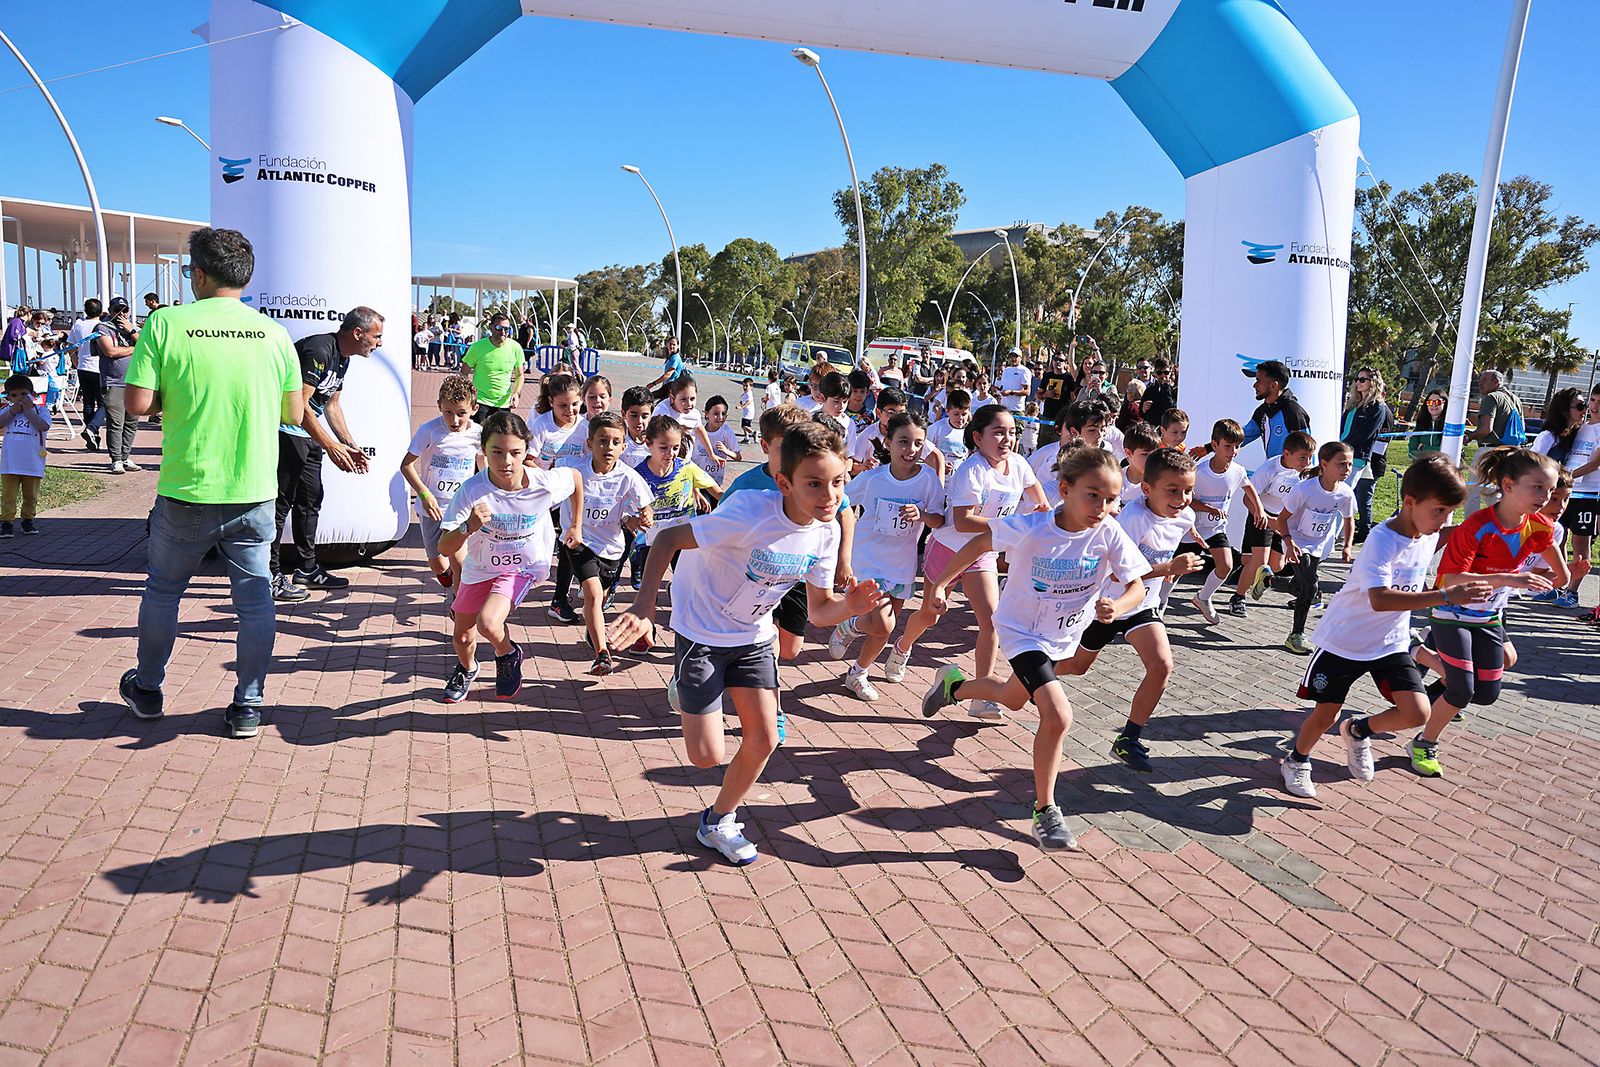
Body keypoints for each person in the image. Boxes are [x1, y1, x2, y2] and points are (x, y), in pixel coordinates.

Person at [608, 421, 881, 865]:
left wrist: (849, 606)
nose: (829, 495)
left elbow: (819, 612)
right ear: (784, 482)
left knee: (766, 737)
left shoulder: (826, 531)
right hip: (702, 631)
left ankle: (718, 820)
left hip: (754, 636)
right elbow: (668, 539)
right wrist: (644, 607)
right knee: (705, 756)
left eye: (837, 482)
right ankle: (687, 686)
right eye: (814, 484)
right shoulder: (750, 511)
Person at [118, 226, 304, 739]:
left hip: (187, 487)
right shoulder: (273, 333)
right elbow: (293, 411)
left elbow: (136, 404)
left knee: (163, 591)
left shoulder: (166, 324)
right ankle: (248, 704)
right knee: (255, 601)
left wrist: (169, 399)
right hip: (253, 491)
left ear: (198, 274)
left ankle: (149, 687)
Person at [919, 443, 1148, 850]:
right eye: (1092, 495)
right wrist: (939, 583)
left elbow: (1136, 585)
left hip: (1063, 635)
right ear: (1064, 489)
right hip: (1020, 631)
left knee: (1011, 698)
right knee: (1058, 715)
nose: (1102, 505)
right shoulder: (1033, 525)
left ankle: (953, 685)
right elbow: (979, 544)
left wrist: (1119, 605)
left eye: (1111, 499)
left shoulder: (1109, 532)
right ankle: (1046, 811)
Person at [1278, 455, 1485, 799]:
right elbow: (1380, 599)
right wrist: (1444, 596)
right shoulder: (1382, 539)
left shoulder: (1429, 531)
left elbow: (1468, 529)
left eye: (1450, 512)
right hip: (1344, 641)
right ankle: (1297, 760)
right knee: (1325, 714)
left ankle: (1359, 731)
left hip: (1390, 643)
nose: (1445, 520)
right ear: (1409, 502)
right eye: (1439, 511)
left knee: (1417, 712)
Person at [1409, 447, 1566, 777]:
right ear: (1508, 485)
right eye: (1537, 487)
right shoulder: (1477, 527)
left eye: (1550, 490)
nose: (1546, 496)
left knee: (1484, 694)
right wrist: (1511, 578)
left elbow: (1555, 568)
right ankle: (1424, 743)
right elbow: (1451, 579)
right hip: (1451, 611)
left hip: (1488, 617)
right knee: (1462, 690)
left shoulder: (1540, 526)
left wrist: (1563, 574)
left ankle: (1425, 663)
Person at [898, 403, 1049, 720]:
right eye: (998, 433)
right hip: (949, 550)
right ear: (978, 438)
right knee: (929, 616)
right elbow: (963, 522)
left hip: (983, 554)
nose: (1007, 440)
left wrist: (1042, 520)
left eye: (1011, 433)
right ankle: (902, 647)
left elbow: (1040, 502)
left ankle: (980, 697)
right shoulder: (972, 470)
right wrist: (1011, 528)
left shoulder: (1019, 464)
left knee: (991, 622)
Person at [1067, 446, 1203, 772]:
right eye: (1172, 490)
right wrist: (1170, 566)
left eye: (1188, 491)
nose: (1182, 498)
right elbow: (1117, 572)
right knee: (1076, 667)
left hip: (1142, 606)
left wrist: (1195, 538)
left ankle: (1128, 738)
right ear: (1147, 488)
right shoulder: (1133, 519)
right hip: (1107, 605)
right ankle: (1032, 677)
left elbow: (1179, 530)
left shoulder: (1185, 515)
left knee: (1161, 666)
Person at [438, 411, 582, 703]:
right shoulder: (471, 490)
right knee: (462, 636)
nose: (506, 462)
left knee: (489, 623)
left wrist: (575, 525)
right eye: (497, 452)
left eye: (515, 453)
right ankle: (467, 668)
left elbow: (576, 478)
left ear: (527, 451)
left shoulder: (544, 483)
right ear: (484, 451)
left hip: (523, 566)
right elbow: (444, 546)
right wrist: (469, 527)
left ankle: (508, 653)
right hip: (480, 567)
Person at [828, 411, 945, 698]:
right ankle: (852, 626)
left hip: (903, 564)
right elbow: (840, 502)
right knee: (883, 622)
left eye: (918, 443)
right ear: (888, 443)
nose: (911, 450)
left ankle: (857, 672)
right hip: (869, 559)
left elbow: (939, 519)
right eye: (904, 442)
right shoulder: (873, 479)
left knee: (883, 631)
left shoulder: (929, 479)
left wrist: (922, 515)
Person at [269, 307, 383, 602]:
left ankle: (307, 570)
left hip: (307, 437)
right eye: (377, 336)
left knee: (310, 501)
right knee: (280, 505)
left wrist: (350, 445)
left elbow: (332, 406)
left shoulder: (343, 357)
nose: (379, 343)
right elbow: (300, 406)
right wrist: (330, 446)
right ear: (358, 333)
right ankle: (269, 575)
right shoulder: (319, 349)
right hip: (285, 432)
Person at [553, 413, 653, 675]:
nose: (608, 447)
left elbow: (646, 507)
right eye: (602, 441)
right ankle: (602, 655)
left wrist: (644, 516)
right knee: (593, 595)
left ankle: (592, 627)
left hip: (612, 548)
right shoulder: (575, 472)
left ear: (623, 446)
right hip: (579, 542)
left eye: (615, 442)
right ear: (589, 443)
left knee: (599, 598)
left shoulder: (628, 477)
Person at [400, 374, 482, 589]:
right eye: (448, 413)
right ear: (439, 406)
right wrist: (424, 495)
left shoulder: (478, 434)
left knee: (460, 561)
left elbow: (483, 467)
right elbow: (406, 465)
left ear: (474, 408)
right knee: (438, 563)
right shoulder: (429, 430)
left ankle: (459, 603)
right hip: (432, 509)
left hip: (460, 507)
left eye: (461, 414)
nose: (454, 421)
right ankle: (444, 573)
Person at [1277, 441, 1357, 655]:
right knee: (1310, 587)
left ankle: (1268, 579)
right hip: (1296, 540)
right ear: (1324, 463)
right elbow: (1281, 519)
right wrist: (1288, 541)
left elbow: (1349, 520)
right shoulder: (1305, 489)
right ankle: (1296, 635)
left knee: (1302, 586)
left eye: (1349, 464)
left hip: (1318, 543)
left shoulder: (1345, 493)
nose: (1347, 470)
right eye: (1341, 464)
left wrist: (1347, 546)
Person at [1184, 419, 1261, 626]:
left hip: (1215, 530)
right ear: (1214, 445)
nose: (1233, 451)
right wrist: (1209, 509)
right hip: (1190, 530)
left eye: (1237, 447)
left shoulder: (1237, 470)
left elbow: (1248, 486)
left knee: (1226, 565)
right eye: (1228, 446)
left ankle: (1203, 597)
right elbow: (1187, 501)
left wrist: (1259, 510)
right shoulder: (1199, 472)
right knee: (1177, 571)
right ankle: (1159, 603)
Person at [1233, 430, 1314, 615]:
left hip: (1283, 520)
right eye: (1303, 458)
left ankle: (1255, 578)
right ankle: (1238, 597)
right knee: (1257, 563)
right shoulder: (1270, 469)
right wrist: (1263, 517)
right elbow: (1247, 499)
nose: (1307, 463)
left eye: (1310, 458)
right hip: (1261, 515)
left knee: (1276, 566)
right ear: (1287, 454)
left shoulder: (1306, 471)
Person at [1340, 366, 1393, 543]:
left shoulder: (1377, 407)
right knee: (1342, 496)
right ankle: (1340, 535)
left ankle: (1344, 535)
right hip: (1340, 454)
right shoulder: (1352, 405)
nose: (1358, 382)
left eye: (1363, 379)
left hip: (1356, 458)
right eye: (1357, 379)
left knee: (1347, 496)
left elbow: (1366, 434)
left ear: (1374, 382)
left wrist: (1343, 446)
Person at [1559, 386, 1600, 615]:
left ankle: (1573, 591)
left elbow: (1594, 464)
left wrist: (1566, 476)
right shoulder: (1581, 427)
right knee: (1557, 537)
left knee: (1580, 543)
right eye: (1592, 400)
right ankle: (1558, 582)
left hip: (1589, 495)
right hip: (1568, 493)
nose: (1594, 407)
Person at [93, 297, 143, 475]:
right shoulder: (102, 328)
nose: (121, 314)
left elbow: (147, 345)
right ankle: (116, 460)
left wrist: (131, 330)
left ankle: (125, 456)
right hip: (113, 382)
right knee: (116, 423)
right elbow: (110, 351)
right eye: (117, 310)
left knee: (132, 422)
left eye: (124, 310)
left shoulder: (132, 329)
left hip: (134, 382)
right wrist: (136, 348)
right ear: (110, 310)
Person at [1464, 368, 1525, 512]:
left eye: (1484, 380)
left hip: (1489, 451)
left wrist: (1470, 437)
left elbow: (1486, 429)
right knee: (1495, 491)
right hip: (1510, 452)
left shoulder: (1491, 398)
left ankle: (1471, 525)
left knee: (1473, 489)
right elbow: (1522, 428)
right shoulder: (1516, 400)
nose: (1480, 383)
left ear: (1496, 382)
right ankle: (1502, 522)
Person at [0, 374, 51, 537]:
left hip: (32, 461)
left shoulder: (41, 410)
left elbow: (43, 426)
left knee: (31, 495)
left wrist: (30, 413)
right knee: (9, 495)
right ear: (8, 397)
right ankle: (6, 522)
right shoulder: (8, 410)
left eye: (23, 394)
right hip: (10, 462)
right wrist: (13, 412)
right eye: (14, 395)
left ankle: (27, 520)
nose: (19, 398)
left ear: (32, 394)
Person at [1238, 359, 1311, 460]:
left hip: (1292, 474)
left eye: (1258, 381)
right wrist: (1210, 447)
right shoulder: (1262, 411)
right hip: (1272, 473)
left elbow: (1306, 451)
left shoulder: (1294, 413)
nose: (1254, 385)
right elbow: (1241, 437)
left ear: (1273, 385)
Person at [461, 312, 524, 424]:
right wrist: (469, 395)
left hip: (503, 403)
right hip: (481, 402)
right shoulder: (477, 347)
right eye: (499, 328)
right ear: (491, 327)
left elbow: (520, 375)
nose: (503, 332)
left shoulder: (515, 348)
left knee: (502, 438)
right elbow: (463, 373)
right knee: (480, 438)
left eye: (507, 329)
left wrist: (516, 393)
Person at [527, 373, 586, 470]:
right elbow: (528, 460)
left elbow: (589, 460)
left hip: (572, 480)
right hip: (545, 480)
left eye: (575, 404)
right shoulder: (541, 424)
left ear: (581, 400)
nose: (570, 410)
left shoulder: (584, 427)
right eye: (563, 405)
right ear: (551, 402)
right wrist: (548, 477)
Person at [67, 298, 104, 450]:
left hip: (83, 367)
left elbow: (70, 347)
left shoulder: (79, 325)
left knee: (88, 403)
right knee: (104, 403)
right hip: (99, 368)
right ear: (100, 311)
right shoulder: (103, 326)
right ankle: (92, 429)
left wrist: (76, 362)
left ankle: (92, 433)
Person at [689, 395, 741, 485]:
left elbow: (738, 457)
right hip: (696, 479)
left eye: (723, 414)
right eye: (716, 414)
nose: (720, 417)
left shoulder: (726, 432)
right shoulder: (697, 430)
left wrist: (726, 451)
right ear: (707, 414)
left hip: (714, 482)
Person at [643, 335, 687, 399]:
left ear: (677, 346)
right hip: (667, 386)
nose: (672, 346)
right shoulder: (671, 357)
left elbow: (668, 374)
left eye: (674, 344)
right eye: (670, 344)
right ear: (667, 345)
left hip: (671, 387)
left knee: (648, 399)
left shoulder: (675, 357)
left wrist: (653, 383)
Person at [1141, 357, 1178, 428]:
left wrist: (1166, 387)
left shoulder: (1175, 391)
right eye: (1159, 373)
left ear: (1170, 372)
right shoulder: (1150, 390)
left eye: (1166, 372)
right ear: (1155, 373)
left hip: (1167, 429)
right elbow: (1141, 414)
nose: (1163, 376)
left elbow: (1170, 408)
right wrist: (1143, 409)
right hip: (1151, 430)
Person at [1408, 390, 1446, 458]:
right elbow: (1411, 451)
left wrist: (1424, 448)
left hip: (1443, 466)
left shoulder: (1448, 426)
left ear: (1444, 403)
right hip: (1422, 465)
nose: (1433, 405)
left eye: (1438, 402)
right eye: (1430, 402)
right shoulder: (1421, 423)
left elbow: (1446, 452)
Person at [998, 346, 1033, 413]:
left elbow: (1027, 391)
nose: (1013, 359)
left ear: (1020, 358)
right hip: (1004, 408)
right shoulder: (1006, 370)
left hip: (1017, 409)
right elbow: (1003, 387)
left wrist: (1011, 392)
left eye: (1015, 356)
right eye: (1011, 356)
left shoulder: (1024, 371)